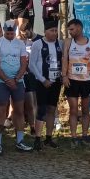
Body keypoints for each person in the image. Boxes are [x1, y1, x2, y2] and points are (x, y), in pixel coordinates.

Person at [0, 21, 32, 154]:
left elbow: (24, 63)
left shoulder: (20, 44)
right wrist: (6, 80)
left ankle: (20, 141)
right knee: (1, 111)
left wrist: (16, 79)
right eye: (7, 33)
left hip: (17, 81)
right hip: (1, 82)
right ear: (4, 31)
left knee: (19, 110)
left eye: (12, 33)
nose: (10, 35)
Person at [62, 18, 90, 147]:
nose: (70, 32)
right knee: (73, 110)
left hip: (87, 81)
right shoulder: (68, 42)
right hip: (72, 80)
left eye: (72, 29)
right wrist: (64, 76)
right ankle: (73, 137)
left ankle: (85, 135)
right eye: (69, 30)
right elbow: (64, 59)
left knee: (85, 110)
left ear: (79, 28)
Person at [28, 21, 63, 150]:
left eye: (56, 30)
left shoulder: (60, 44)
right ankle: (37, 138)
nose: (54, 33)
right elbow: (32, 64)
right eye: (51, 30)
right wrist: (43, 80)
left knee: (52, 109)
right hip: (42, 82)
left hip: (56, 81)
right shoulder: (37, 44)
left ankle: (49, 137)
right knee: (41, 109)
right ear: (45, 32)